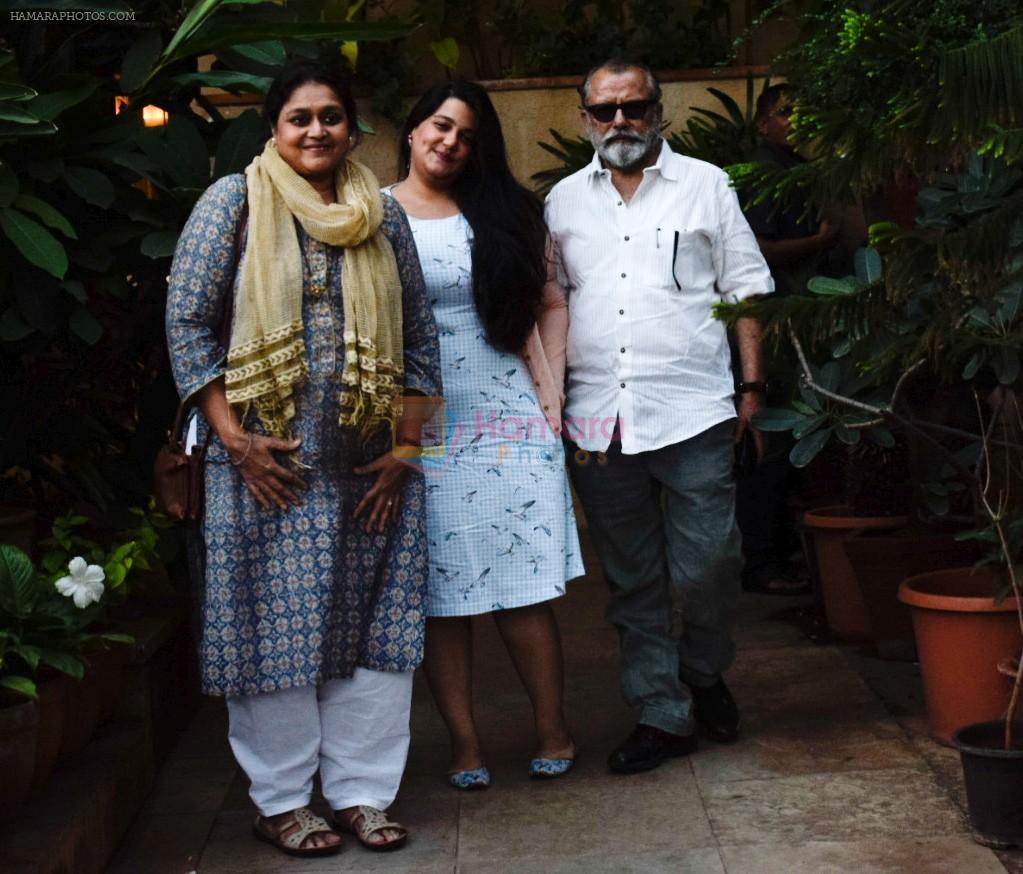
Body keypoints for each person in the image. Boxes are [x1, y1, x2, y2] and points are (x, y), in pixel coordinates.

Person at [165, 59, 441, 857]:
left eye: (330, 116)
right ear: (274, 129)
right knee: (269, 628)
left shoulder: (382, 213)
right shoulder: (234, 203)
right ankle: (282, 800)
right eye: (299, 118)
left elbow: (420, 339)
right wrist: (235, 441)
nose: (315, 130)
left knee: (374, 630)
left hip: (371, 467)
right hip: (266, 468)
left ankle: (360, 793)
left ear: (351, 128)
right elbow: (188, 325)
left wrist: (405, 451)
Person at [545, 59, 774, 773]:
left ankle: (703, 672)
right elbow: (549, 308)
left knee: (709, 563)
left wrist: (751, 387)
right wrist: (549, 401)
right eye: (605, 111)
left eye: (634, 108)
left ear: (657, 112)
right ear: (585, 119)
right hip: (596, 417)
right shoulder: (558, 203)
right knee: (633, 579)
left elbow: (744, 291)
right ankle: (661, 711)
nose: (620, 122)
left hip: (694, 411)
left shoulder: (705, 185)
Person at [388, 80, 584, 789]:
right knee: (442, 595)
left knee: (522, 586)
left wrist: (551, 394)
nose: (450, 142)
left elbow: (551, 303)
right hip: (420, 424)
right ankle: (464, 744)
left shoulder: (501, 212)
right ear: (412, 131)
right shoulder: (371, 216)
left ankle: (552, 728)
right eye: (440, 126)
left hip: (507, 415)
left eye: (467, 135)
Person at [735, 83, 842, 595]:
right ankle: (761, 562)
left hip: (802, 325)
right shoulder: (763, 172)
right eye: (786, 112)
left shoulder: (798, 167)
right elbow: (754, 253)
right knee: (770, 443)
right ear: (762, 125)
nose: (797, 119)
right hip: (773, 329)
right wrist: (819, 241)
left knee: (797, 445)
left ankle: (780, 556)